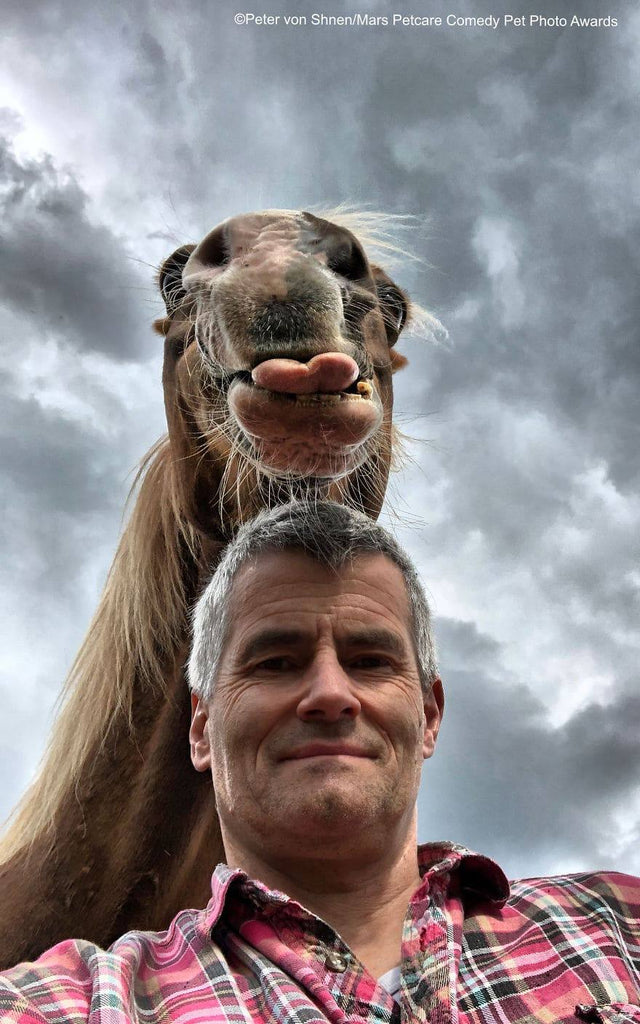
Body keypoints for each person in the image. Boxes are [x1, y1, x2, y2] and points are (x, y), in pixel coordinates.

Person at [1, 501, 638, 1023]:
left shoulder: (616, 924)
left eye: (370, 662)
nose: (331, 694)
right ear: (201, 728)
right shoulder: (79, 1002)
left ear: (429, 716)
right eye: (276, 662)